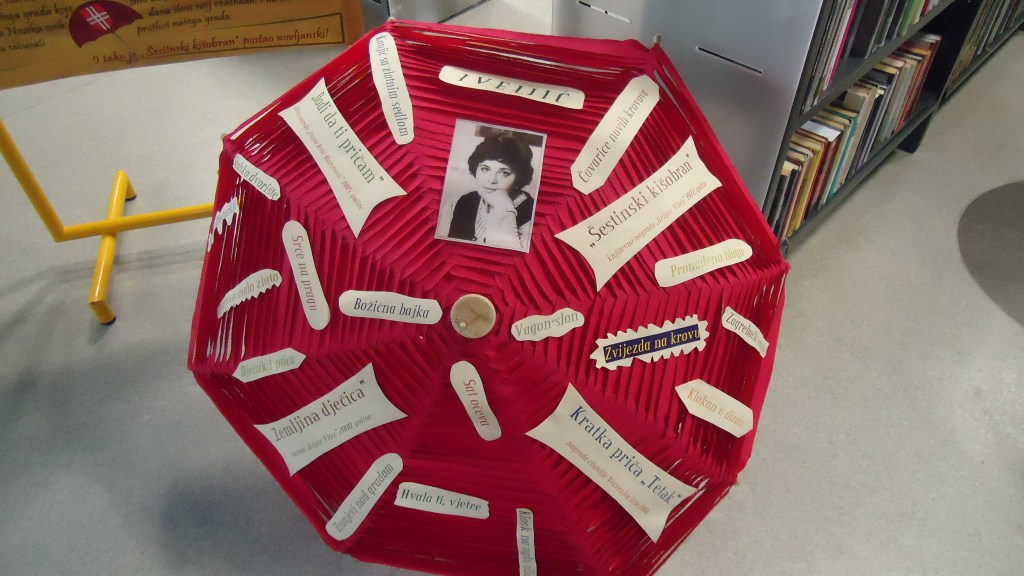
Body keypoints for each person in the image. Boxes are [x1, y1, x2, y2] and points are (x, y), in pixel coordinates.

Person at [444, 134, 536, 251]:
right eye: (485, 169)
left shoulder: (532, 213)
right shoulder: (456, 203)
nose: (491, 180)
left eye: (504, 173)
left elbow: (514, 258)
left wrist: (505, 211)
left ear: (519, 177)